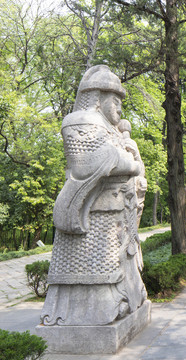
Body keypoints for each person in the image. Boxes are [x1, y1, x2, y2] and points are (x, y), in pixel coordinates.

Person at [41, 65, 147, 326]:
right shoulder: (79, 121)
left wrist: (133, 158)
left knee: (120, 266)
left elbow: (128, 164)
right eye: (116, 101)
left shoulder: (112, 129)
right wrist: (127, 161)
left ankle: (127, 299)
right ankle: (100, 309)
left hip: (120, 216)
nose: (120, 109)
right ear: (98, 97)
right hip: (93, 214)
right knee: (95, 267)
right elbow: (89, 163)